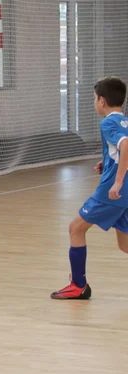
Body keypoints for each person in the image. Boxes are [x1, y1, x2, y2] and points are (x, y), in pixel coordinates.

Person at [51, 76, 128, 299]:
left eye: (94, 98)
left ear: (102, 101)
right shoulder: (125, 121)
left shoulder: (108, 123)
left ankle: (78, 285)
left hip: (111, 194)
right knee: (125, 246)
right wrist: (108, 163)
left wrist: (117, 181)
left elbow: (125, 146)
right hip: (125, 195)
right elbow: (120, 150)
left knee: (76, 228)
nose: (94, 102)